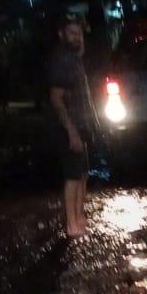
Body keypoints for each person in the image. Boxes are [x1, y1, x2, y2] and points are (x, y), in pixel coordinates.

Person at [47, 15, 98, 237]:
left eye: (79, 33)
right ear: (61, 34)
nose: (77, 37)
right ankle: (71, 224)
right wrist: (71, 131)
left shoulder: (73, 56)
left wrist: (82, 31)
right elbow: (56, 98)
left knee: (82, 173)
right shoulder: (61, 60)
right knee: (72, 177)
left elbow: (80, 51)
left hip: (81, 124)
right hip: (70, 127)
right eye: (72, 33)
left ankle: (79, 217)